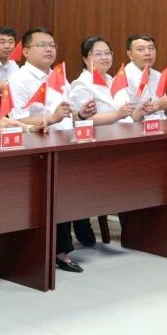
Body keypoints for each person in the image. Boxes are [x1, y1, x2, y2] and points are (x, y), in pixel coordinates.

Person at [7, 27, 96, 273]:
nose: (49, 50)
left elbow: (66, 114)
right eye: (42, 45)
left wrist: (80, 114)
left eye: (52, 45)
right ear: (25, 51)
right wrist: (52, 118)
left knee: (63, 198)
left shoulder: (57, 77)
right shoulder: (19, 80)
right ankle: (54, 252)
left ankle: (60, 248)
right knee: (50, 201)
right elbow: (15, 121)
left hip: (64, 143)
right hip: (36, 149)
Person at [59, 36, 141, 255]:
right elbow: (84, 120)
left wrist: (139, 113)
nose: (104, 58)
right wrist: (118, 114)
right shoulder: (81, 85)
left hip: (122, 140)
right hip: (96, 146)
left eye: (107, 53)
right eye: (98, 54)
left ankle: (140, 229)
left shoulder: (114, 80)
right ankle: (81, 218)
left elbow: (127, 115)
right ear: (86, 58)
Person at [115, 34, 167, 120]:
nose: (148, 53)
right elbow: (123, 119)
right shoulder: (123, 79)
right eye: (140, 49)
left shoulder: (158, 75)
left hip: (161, 126)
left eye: (151, 48)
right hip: (138, 128)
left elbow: (161, 115)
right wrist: (157, 105)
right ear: (130, 54)